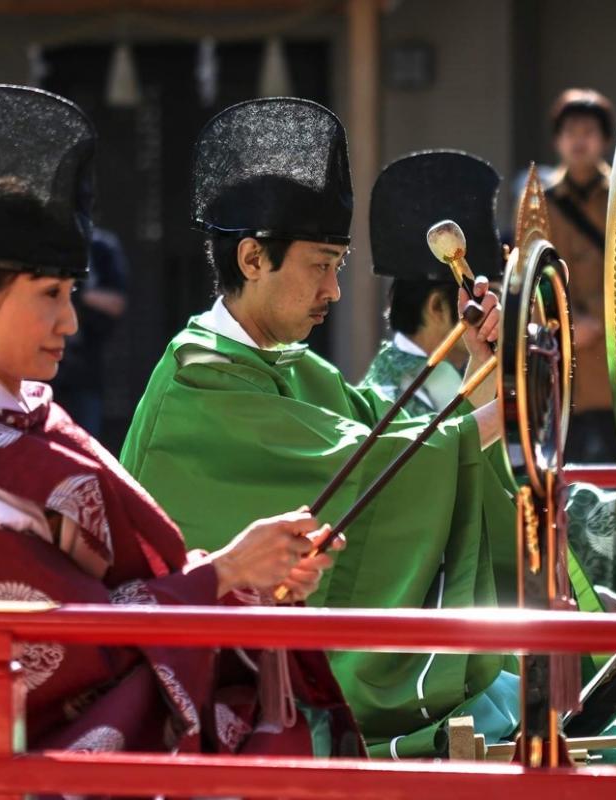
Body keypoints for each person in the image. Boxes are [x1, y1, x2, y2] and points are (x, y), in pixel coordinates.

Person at [0, 86, 360, 800]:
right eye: (48, 295)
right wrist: (223, 575)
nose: (70, 322)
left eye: (70, 294)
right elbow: (63, 647)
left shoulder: (20, 430)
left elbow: (108, 606)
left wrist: (240, 576)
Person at [120, 98, 519, 760]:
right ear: (252, 259)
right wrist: (508, 410)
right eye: (321, 265)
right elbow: (368, 466)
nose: (334, 290)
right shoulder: (197, 380)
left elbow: (392, 435)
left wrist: (481, 367)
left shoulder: (289, 364)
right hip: (209, 702)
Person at [360, 150, 616, 604]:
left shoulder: (456, 377)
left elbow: (516, 491)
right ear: (440, 308)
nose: (500, 315)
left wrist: (612, 510)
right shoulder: (386, 404)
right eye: (491, 301)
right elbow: (497, 507)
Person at [361, 150, 503, 417]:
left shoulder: (439, 378)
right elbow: (459, 452)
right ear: (437, 306)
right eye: (487, 296)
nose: (496, 309)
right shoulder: (393, 397)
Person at [544, 89, 616, 464]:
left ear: (605, 139)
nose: (579, 139)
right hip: (562, 359)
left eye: (589, 130)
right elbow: (531, 276)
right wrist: (569, 322)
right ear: (557, 139)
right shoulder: (540, 202)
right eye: (570, 130)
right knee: (562, 476)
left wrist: (601, 320)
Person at [49, 225, 129, 437]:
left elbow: (117, 302)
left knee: (86, 441)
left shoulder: (101, 246)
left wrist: (79, 293)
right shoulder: (45, 242)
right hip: (45, 373)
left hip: (86, 367)